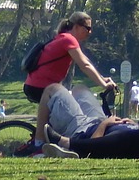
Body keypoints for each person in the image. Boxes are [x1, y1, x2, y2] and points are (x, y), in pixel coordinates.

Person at [23, 11, 117, 145]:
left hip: (34, 85)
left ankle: (49, 138)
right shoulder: (69, 39)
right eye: (88, 28)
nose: (90, 32)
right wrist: (103, 85)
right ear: (77, 27)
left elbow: (86, 61)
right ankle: (39, 144)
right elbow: (84, 65)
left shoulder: (64, 38)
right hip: (39, 87)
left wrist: (103, 78)